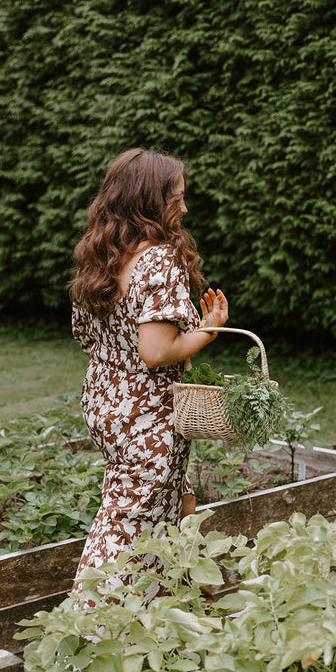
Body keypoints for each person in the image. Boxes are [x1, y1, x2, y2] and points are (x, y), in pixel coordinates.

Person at [69, 148, 229, 596]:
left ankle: (187, 609)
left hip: (106, 400)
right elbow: (157, 352)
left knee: (175, 499)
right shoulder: (157, 260)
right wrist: (208, 330)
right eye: (176, 196)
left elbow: (86, 336)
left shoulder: (102, 254)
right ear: (151, 200)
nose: (184, 205)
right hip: (146, 415)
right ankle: (82, 635)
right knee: (123, 525)